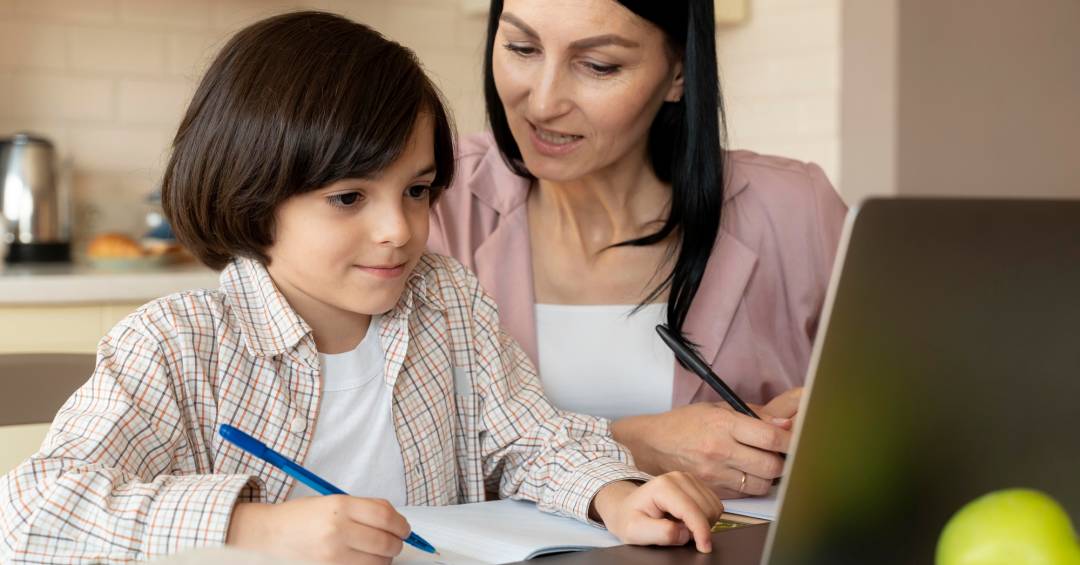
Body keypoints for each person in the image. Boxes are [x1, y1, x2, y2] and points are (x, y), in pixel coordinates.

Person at [0, 12, 725, 564]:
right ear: (253, 197)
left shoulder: (447, 303)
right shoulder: (177, 343)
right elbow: (30, 510)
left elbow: (530, 439)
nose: (399, 231)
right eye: (349, 197)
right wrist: (257, 526)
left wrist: (616, 495)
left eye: (415, 190)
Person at [429, 0, 848, 499]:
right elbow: (399, 450)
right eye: (522, 48)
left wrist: (831, 422)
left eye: (598, 66)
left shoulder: (795, 208)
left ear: (679, 73)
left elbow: (921, 410)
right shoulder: (429, 195)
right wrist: (635, 443)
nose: (542, 103)